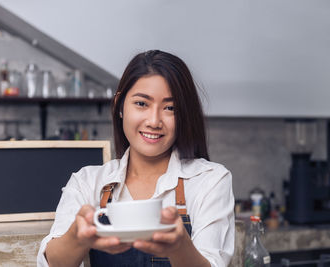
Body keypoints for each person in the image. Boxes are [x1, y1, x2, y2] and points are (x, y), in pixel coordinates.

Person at [37, 50, 234, 267]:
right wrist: (77, 236)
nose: (154, 121)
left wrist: (180, 247)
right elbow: (53, 263)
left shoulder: (210, 180)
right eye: (141, 104)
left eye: (170, 108)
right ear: (120, 105)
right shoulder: (87, 182)